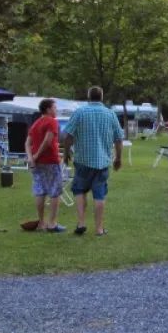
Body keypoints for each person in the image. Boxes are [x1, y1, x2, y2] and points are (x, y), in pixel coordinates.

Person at [62, 86, 124, 236]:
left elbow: (68, 136)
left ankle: (82, 222)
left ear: (88, 97)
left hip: (83, 160)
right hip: (103, 161)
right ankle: (99, 229)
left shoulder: (79, 112)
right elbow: (119, 139)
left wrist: (66, 153)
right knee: (99, 194)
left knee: (79, 190)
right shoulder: (110, 114)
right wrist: (118, 158)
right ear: (101, 97)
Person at [24, 98, 66, 232]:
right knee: (55, 191)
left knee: (40, 191)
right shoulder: (52, 122)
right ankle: (52, 223)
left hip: (37, 163)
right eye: (55, 107)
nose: (56, 110)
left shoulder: (36, 123)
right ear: (48, 109)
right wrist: (35, 156)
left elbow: (27, 143)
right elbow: (48, 141)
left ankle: (41, 223)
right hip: (51, 161)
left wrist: (31, 158)